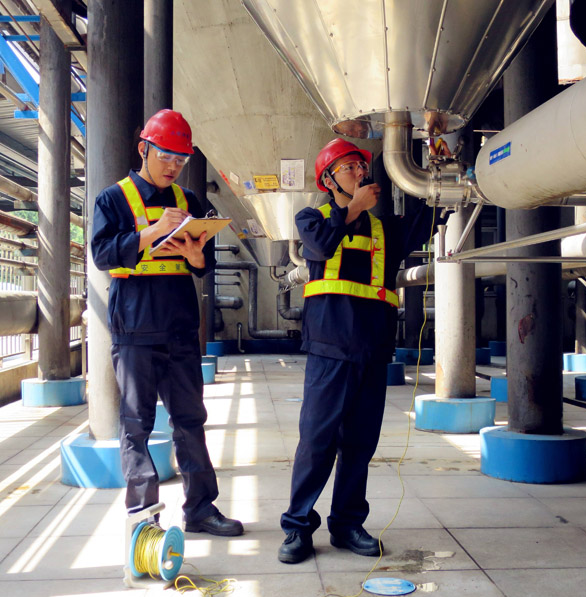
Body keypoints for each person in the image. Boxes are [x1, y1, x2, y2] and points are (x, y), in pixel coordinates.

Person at [278, 138, 444, 563]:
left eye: (361, 166)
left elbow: (428, 220)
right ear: (328, 178)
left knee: (360, 443)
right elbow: (319, 248)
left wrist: (437, 171)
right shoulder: (311, 219)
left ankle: (347, 523)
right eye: (349, 167)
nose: (360, 173)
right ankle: (297, 528)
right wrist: (351, 209)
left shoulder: (383, 230)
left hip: (372, 349)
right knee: (316, 441)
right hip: (330, 349)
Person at [91, 109, 243, 537]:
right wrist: (151, 232)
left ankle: (200, 509)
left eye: (180, 159)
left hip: (179, 328)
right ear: (144, 149)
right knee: (136, 425)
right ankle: (144, 519)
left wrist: (198, 258)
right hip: (135, 329)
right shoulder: (113, 199)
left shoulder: (190, 202)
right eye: (165, 156)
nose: (173, 166)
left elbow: (203, 262)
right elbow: (102, 256)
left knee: (190, 420)